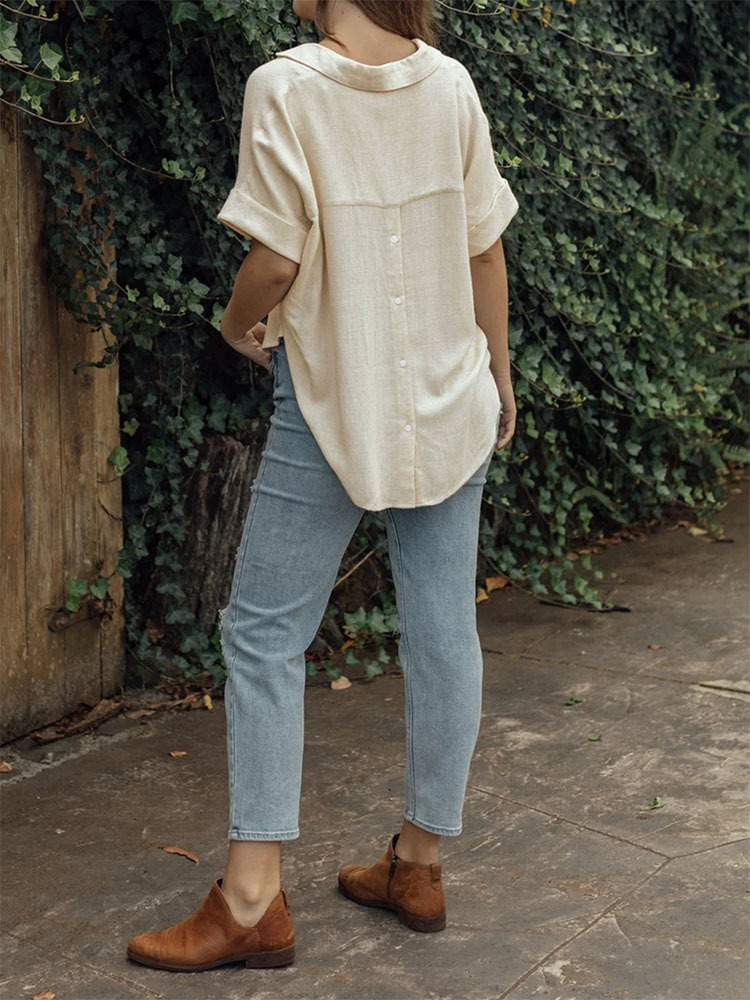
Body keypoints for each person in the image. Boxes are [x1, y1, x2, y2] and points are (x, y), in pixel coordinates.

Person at [126, 0, 518, 973]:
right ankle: (418, 865)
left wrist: (233, 327)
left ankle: (251, 898)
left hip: (334, 397)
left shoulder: (286, 86)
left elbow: (275, 259)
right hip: (449, 393)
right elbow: (484, 248)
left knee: (263, 633)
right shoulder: (450, 86)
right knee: (442, 631)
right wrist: (501, 377)